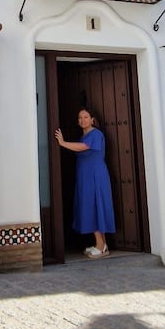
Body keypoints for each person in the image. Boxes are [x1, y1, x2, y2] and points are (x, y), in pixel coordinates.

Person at [55, 108, 115, 258]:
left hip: (95, 176)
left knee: (95, 206)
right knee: (92, 206)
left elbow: (84, 148)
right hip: (86, 177)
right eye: (80, 117)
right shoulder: (84, 136)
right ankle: (102, 245)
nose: (83, 120)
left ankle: (100, 246)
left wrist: (62, 143)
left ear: (92, 119)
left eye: (86, 117)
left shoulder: (96, 134)